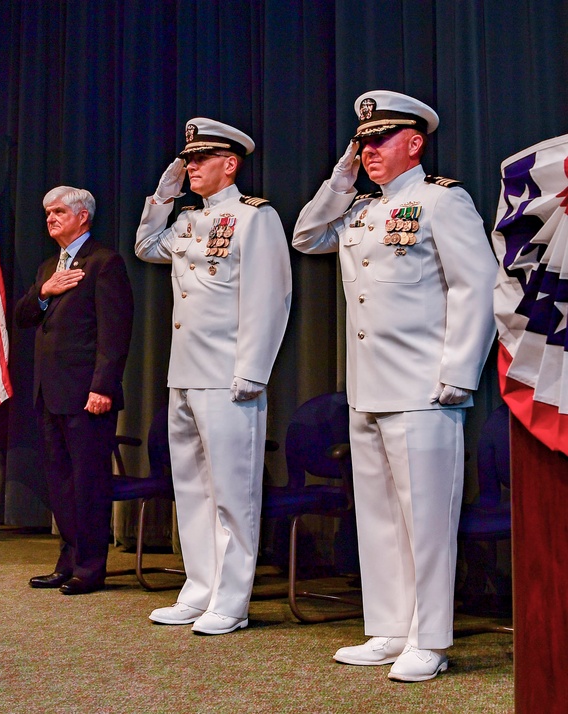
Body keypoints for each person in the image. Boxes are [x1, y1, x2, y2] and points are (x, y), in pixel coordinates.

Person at [293, 90, 496, 681]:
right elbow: (307, 236)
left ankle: (429, 638)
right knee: (379, 517)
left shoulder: (441, 201)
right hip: (368, 387)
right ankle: (388, 628)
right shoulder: (360, 210)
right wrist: (340, 178)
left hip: (423, 388)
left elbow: (476, 284)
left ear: (415, 142)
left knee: (426, 521)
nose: (368, 149)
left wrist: (458, 372)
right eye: (362, 141)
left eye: (379, 139)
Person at [135, 118, 292, 634]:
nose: (190, 166)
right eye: (188, 159)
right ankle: (198, 587)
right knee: (192, 489)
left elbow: (270, 299)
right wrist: (162, 195)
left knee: (232, 491)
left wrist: (253, 369)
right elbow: (145, 246)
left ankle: (231, 600)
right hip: (184, 372)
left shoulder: (254, 217)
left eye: (200, 159)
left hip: (229, 376)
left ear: (231, 164)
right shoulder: (184, 222)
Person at [14, 186, 134, 595]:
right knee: (60, 482)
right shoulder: (49, 266)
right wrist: (44, 292)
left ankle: (91, 567)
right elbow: (22, 316)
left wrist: (103, 386)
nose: (50, 218)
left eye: (59, 211)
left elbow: (114, 333)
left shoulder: (105, 262)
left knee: (88, 482)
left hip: (87, 396)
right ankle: (67, 561)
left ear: (83, 216)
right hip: (50, 392)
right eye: (47, 212)